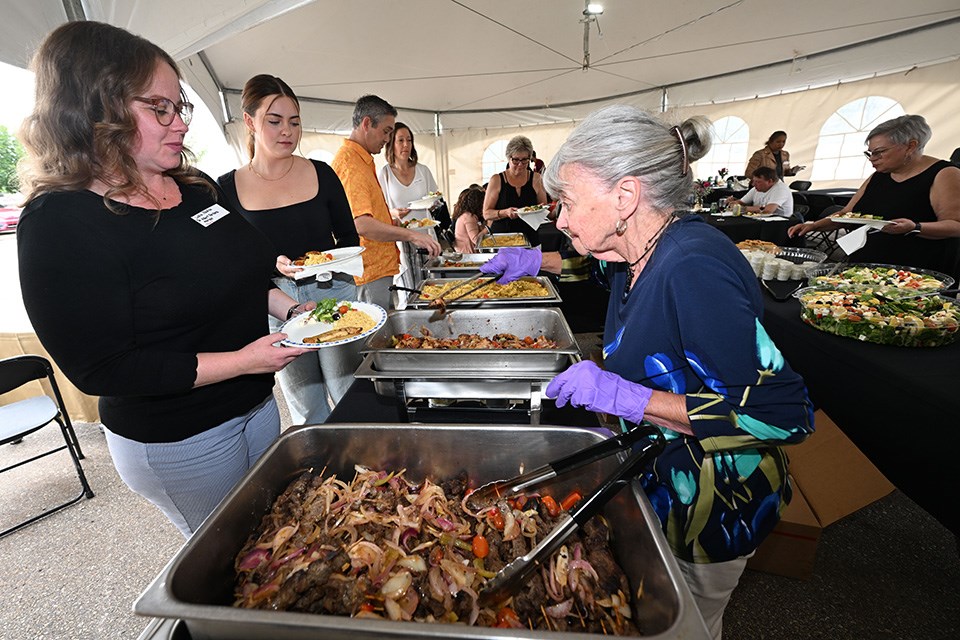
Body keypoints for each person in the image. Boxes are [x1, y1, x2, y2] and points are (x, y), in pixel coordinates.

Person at [478, 105, 814, 639]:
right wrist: (531, 263)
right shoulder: (639, 245)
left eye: (566, 202)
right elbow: (593, 263)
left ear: (626, 196)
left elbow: (782, 415)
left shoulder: (692, 267)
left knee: (687, 628)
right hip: (660, 477)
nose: (559, 221)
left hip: (713, 506)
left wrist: (630, 398)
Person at [16, 22, 311, 537]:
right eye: (160, 109)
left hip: (257, 403)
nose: (180, 124)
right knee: (233, 561)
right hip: (181, 437)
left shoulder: (192, 191)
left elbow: (244, 273)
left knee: (276, 533)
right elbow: (104, 367)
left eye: (181, 108)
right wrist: (244, 359)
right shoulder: (60, 221)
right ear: (96, 109)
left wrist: (292, 308)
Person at [218, 74, 361, 425]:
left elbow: (349, 239)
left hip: (334, 293)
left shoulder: (322, 174)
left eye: (294, 122)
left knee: (350, 393)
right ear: (250, 122)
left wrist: (323, 263)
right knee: (306, 404)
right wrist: (272, 263)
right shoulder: (226, 188)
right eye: (275, 121)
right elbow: (232, 260)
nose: (287, 131)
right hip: (275, 303)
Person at [788, 115, 960, 277]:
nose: (872, 159)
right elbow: (848, 214)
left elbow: (955, 225)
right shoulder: (880, 175)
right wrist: (814, 226)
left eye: (879, 152)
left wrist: (914, 227)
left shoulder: (945, 174)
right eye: (870, 153)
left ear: (911, 146)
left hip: (915, 272)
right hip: (869, 267)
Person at [331, 95, 440, 310]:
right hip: (368, 271)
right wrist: (411, 234)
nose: (387, 139)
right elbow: (361, 224)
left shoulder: (361, 160)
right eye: (387, 131)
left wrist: (393, 224)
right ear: (366, 124)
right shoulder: (351, 165)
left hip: (377, 269)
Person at [377, 122, 445, 307]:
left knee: (431, 286)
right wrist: (393, 211)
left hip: (426, 233)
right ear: (391, 144)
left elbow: (436, 199)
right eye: (401, 140)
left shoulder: (423, 170)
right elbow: (380, 209)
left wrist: (433, 203)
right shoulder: (385, 174)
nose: (406, 145)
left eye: (409, 140)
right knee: (409, 288)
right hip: (401, 236)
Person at [482, 135, 548, 246]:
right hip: (502, 240)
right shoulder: (497, 180)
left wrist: (539, 210)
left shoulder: (536, 178)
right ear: (509, 158)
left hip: (530, 238)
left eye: (525, 160)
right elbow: (486, 214)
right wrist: (505, 212)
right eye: (516, 160)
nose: (520, 164)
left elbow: (543, 206)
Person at [727, 166, 795, 219]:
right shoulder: (757, 188)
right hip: (760, 220)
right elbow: (741, 202)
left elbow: (768, 210)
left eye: (757, 182)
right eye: (754, 181)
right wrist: (734, 203)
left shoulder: (781, 189)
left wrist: (741, 208)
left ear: (769, 181)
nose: (753, 184)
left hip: (780, 223)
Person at [452, 186, 486, 254]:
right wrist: (488, 227)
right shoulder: (469, 217)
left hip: (467, 251)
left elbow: (480, 230)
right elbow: (477, 241)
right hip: (468, 254)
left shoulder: (470, 215)